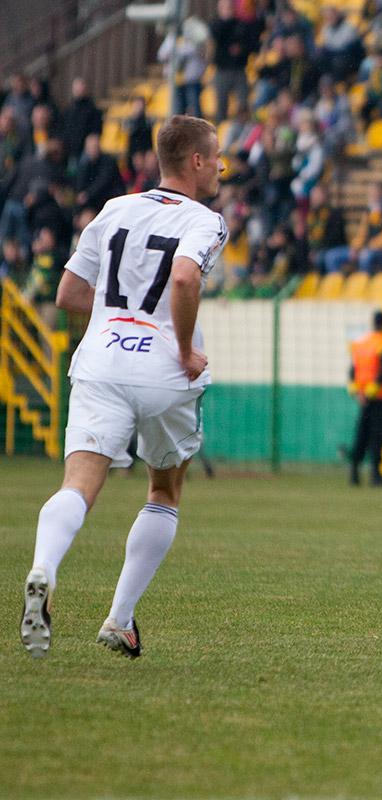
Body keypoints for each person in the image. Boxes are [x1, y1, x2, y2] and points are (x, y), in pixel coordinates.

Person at [20, 115, 228, 659]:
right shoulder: (206, 220)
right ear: (197, 161)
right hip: (163, 371)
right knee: (164, 491)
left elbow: (68, 293)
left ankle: (44, 566)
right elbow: (183, 276)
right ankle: (119, 618)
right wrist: (184, 349)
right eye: (217, 157)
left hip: (102, 362)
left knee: (78, 484)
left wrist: (119, 314)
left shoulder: (114, 208)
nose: (223, 166)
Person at [348, 310, 382, 487]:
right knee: (378, 436)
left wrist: (357, 393)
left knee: (361, 434)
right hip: (379, 398)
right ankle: (376, 476)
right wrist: (371, 392)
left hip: (362, 398)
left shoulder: (359, 343)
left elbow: (352, 370)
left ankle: (354, 473)